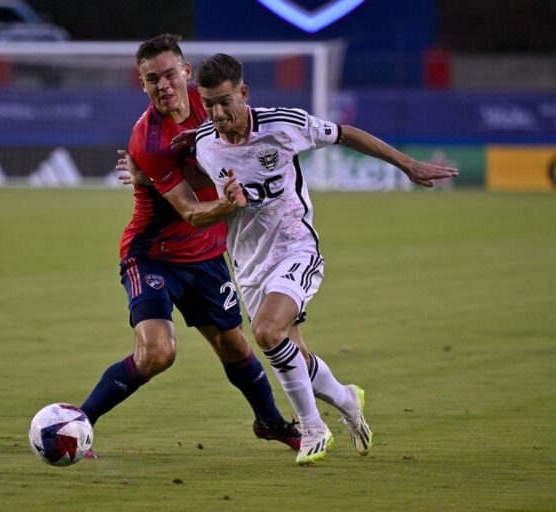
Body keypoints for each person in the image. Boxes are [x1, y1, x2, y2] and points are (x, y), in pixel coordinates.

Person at [187, 53, 459, 464]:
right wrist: (144, 173)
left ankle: (312, 427)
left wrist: (406, 165)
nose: (218, 112)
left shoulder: (282, 125)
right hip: (249, 264)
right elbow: (186, 179)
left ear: (243, 93)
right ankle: (347, 399)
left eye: (225, 101)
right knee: (291, 351)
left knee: (265, 332)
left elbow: (345, 133)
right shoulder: (204, 144)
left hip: (296, 247)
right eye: (209, 104)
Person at [79, 35, 301, 453]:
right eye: (151, 79)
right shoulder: (147, 140)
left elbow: (250, 146)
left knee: (235, 347)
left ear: (185, 73)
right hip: (154, 256)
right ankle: (78, 423)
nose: (162, 85)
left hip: (207, 254)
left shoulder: (213, 105)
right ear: (142, 84)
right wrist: (230, 200)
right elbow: (192, 212)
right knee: (158, 353)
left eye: (168, 74)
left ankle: (269, 422)